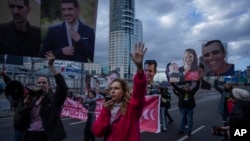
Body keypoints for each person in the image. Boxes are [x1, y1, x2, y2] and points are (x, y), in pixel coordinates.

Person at [4, 51, 68, 141]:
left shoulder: (53, 99)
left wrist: (51, 66)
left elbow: (63, 89)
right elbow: (14, 89)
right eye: (39, 82)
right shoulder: (31, 98)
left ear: (49, 86)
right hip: (30, 135)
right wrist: (25, 106)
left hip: (46, 136)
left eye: (44, 82)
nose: (41, 84)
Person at [92, 42, 147, 141]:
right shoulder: (106, 107)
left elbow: (139, 90)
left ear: (124, 91)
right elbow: (97, 132)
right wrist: (105, 111)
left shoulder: (132, 107)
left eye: (116, 88)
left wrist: (139, 68)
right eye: (111, 88)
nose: (112, 91)